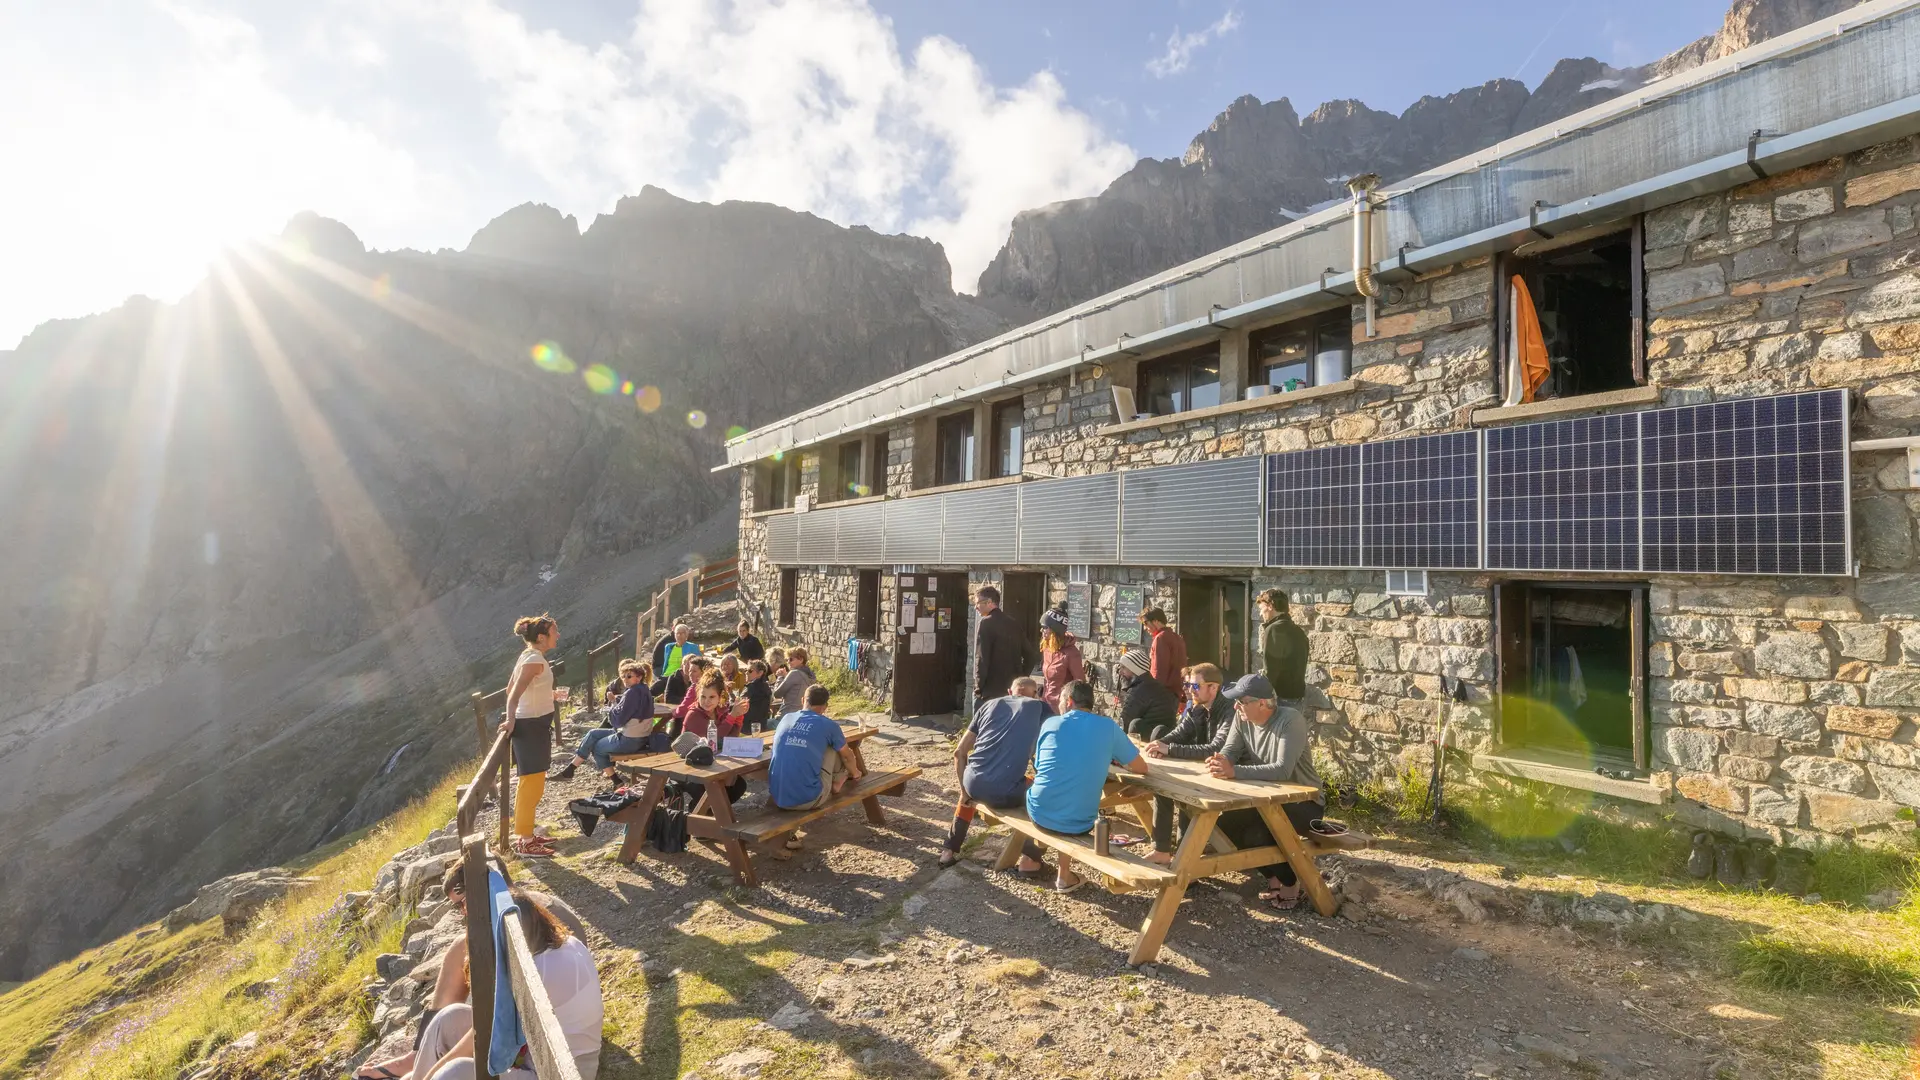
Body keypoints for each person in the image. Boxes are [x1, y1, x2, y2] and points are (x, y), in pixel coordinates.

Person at [356, 861, 598, 1080]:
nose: (464, 913)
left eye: (464, 904)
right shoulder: (548, 945)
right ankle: (416, 1071)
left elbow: (480, 1038)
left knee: (455, 1071)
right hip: (533, 1054)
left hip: (555, 1072)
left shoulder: (535, 971)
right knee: (447, 1019)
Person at [1143, 673, 1324, 910]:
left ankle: (1291, 883)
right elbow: (1230, 749)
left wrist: (1233, 770)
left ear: (1262, 703)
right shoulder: (1242, 717)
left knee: (1257, 835)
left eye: (1242, 701)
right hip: (1263, 798)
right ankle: (1272, 878)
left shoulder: (1291, 720)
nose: (1236, 706)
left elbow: (1282, 769)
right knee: (1225, 823)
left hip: (1305, 803)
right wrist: (1220, 761)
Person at [1024, 681, 1149, 893]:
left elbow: (1038, 766)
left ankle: (1029, 859)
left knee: (1047, 791)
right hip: (1080, 821)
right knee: (1073, 801)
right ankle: (1064, 876)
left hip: (1039, 813)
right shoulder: (1108, 727)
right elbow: (1141, 767)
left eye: (1061, 700)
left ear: (1070, 701)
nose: (1058, 705)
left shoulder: (1050, 724)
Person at [939, 676, 1055, 868]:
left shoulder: (988, 705)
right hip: (1004, 791)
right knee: (1046, 795)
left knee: (970, 790)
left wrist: (963, 790)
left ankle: (948, 851)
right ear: (1036, 694)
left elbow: (959, 752)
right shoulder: (1040, 708)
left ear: (1010, 692)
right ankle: (1029, 859)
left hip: (972, 783)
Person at [500, 615, 561, 858]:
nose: (558, 635)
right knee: (531, 784)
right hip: (531, 726)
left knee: (533, 781)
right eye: (555, 632)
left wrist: (550, 695)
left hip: (533, 724)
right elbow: (512, 694)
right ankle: (524, 841)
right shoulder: (534, 660)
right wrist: (511, 719)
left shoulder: (528, 656)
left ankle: (527, 834)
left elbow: (510, 688)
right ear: (541, 637)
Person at [768, 684, 863, 825]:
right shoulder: (829, 725)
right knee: (834, 746)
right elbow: (847, 756)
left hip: (777, 797)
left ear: (803, 700)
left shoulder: (787, 718)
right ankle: (837, 781)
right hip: (808, 799)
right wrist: (855, 773)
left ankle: (834, 780)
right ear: (825, 706)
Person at [551, 660, 659, 782]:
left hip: (630, 739)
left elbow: (619, 720)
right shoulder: (644, 690)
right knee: (593, 733)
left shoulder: (632, 693)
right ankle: (570, 769)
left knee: (597, 748)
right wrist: (616, 702)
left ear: (639, 677)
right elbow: (628, 710)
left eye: (629, 676)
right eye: (623, 676)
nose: (625, 679)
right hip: (641, 736)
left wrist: (612, 704)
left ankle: (616, 781)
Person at [972, 586, 1037, 706]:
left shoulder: (985, 623)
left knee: (984, 724)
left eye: (977, 603)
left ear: (990, 602)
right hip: (1012, 690)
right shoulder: (1013, 623)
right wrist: (1021, 678)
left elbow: (981, 659)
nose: (975, 607)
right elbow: (1031, 656)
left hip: (990, 691)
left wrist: (978, 687)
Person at [1258, 588, 1310, 711]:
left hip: (1280, 697)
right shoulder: (1297, 630)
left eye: (1262, 609)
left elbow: (1270, 667)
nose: (1261, 614)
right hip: (1296, 696)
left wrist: (1263, 693)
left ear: (1270, 606)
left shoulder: (1273, 629)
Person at [1115, 648, 1177, 741]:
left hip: (1149, 739)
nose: (1120, 672)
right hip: (1162, 736)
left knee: (1134, 724)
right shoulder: (1153, 685)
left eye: (1124, 667)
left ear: (1134, 669)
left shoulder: (1139, 690)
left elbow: (1124, 722)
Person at [671, 670, 739, 746]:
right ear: (698, 696)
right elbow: (713, 740)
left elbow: (731, 738)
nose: (707, 701)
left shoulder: (720, 710)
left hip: (712, 755)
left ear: (720, 697)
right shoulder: (693, 715)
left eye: (712, 697)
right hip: (692, 756)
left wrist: (739, 716)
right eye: (703, 696)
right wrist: (732, 715)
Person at [1038, 604, 1085, 713]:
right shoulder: (1047, 648)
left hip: (1062, 707)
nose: (1041, 630)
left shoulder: (1072, 653)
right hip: (1045, 703)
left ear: (1055, 630)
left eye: (1045, 627)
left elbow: (1080, 684)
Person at [1141, 607, 1188, 704]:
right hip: (1178, 692)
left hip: (1163, 694)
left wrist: (1153, 695)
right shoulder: (1177, 637)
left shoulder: (1160, 638)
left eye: (1146, 623)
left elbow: (1158, 671)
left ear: (1156, 621)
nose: (1145, 628)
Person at [771, 645, 817, 716]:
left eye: (791, 659)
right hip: (801, 714)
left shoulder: (794, 673)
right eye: (787, 660)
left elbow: (777, 694)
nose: (788, 662)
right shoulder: (810, 674)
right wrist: (785, 676)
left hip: (786, 715)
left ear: (801, 659)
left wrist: (780, 677)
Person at [652, 622, 701, 687]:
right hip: (666, 676)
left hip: (680, 677)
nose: (679, 635)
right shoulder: (669, 647)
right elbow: (666, 664)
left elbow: (700, 663)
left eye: (682, 633)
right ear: (674, 635)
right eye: (677, 633)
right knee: (652, 690)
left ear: (687, 635)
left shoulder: (692, 647)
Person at [741, 659, 774, 734]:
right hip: (761, 728)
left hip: (746, 729)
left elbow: (738, 706)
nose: (746, 672)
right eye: (746, 670)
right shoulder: (766, 687)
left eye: (750, 671)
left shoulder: (751, 688)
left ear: (760, 673)